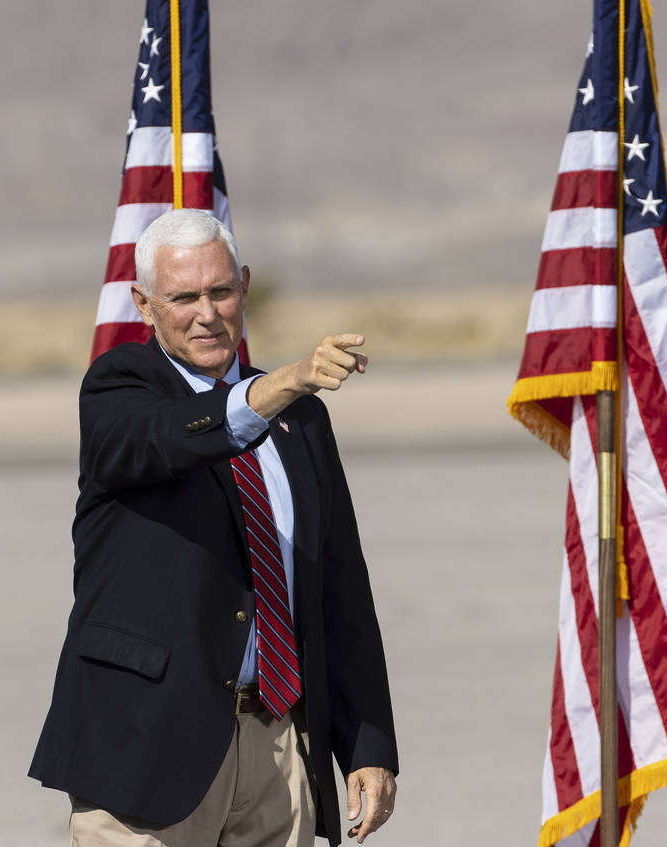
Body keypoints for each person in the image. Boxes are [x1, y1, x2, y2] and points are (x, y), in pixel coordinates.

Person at [29, 209, 398, 846]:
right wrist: (286, 382)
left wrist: (367, 743)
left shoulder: (298, 419)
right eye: (183, 297)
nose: (207, 312)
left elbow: (340, 586)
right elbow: (170, 440)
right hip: (148, 748)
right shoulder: (119, 391)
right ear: (144, 304)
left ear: (245, 286)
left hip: (279, 745)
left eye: (221, 291)